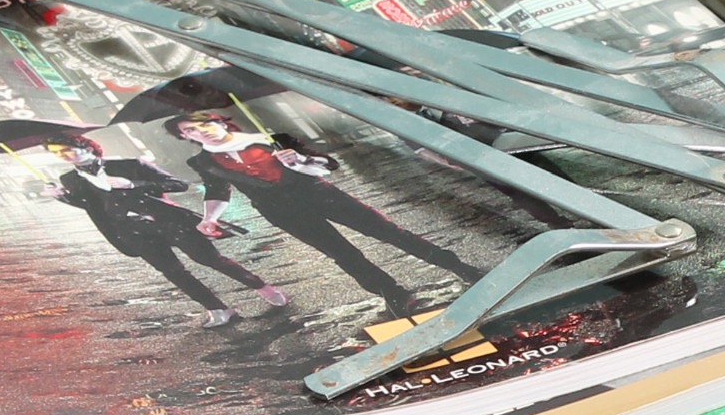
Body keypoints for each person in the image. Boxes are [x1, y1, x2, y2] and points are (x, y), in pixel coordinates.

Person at [168, 113, 483, 316]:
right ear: (187, 139)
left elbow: (328, 165)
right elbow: (217, 190)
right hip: (281, 212)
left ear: (219, 121)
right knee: (341, 253)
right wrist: (209, 218)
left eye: (202, 124)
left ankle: (458, 266)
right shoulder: (203, 163)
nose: (199, 132)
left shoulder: (270, 137)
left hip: (322, 195)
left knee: (390, 233)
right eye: (189, 132)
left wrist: (298, 161)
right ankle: (395, 294)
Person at [41, 138, 285, 327]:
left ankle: (264, 289)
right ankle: (218, 309)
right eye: (57, 153)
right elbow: (90, 204)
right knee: (172, 271)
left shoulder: (129, 165)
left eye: (68, 149)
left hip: (168, 221)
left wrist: (134, 184)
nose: (64, 155)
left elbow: (178, 184)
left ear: (88, 147)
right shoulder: (69, 178)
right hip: (131, 231)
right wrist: (63, 197)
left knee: (208, 259)